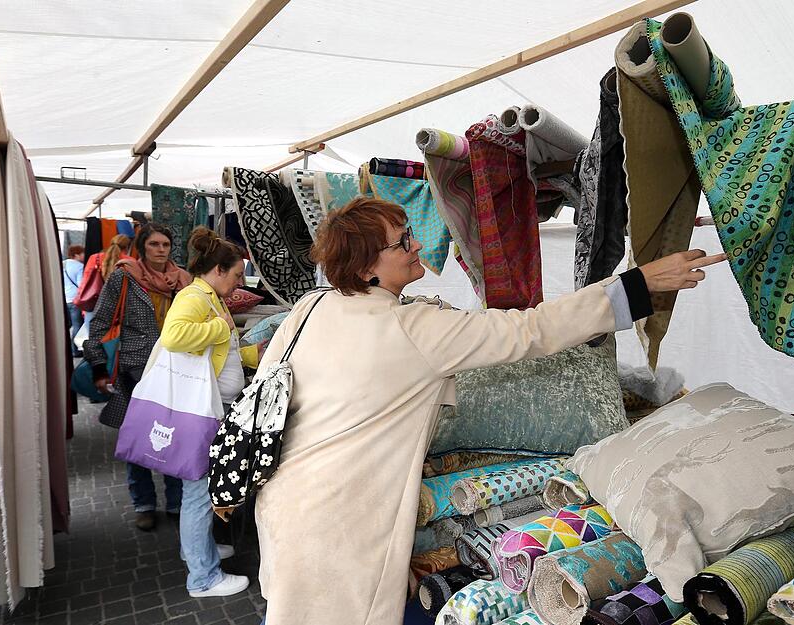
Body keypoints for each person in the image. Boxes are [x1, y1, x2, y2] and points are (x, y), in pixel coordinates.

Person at [253, 197, 727, 625]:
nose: (416, 245)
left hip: (283, 501)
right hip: (340, 521)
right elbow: (531, 330)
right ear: (365, 269)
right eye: (401, 242)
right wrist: (637, 285)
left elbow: (267, 396)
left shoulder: (311, 309)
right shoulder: (412, 328)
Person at [160, 227, 258, 598]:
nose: (240, 282)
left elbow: (220, 354)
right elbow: (174, 337)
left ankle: (197, 550)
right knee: (199, 493)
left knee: (199, 490)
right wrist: (220, 326)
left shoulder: (209, 296)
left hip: (209, 408)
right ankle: (203, 577)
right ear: (218, 269)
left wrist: (252, 354)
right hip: (202, 412)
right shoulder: (195, 296)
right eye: (237, 274)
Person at [83, 224, 192, 531]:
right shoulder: (125, 276)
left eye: (165, 244)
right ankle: (144, 503)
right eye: (154, 244)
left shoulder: (182, 281)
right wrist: (98, 366)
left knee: (174, 435)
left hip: (176, 367)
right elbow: (100, 321)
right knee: (138, 438)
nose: (161, 249)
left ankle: (175, 501)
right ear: (142, 247)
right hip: (135, 367)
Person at [62, 244, 85, 356]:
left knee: (66, 325)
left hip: (65, 298)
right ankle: (75, 350)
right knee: (77, 325)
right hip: (75, 300)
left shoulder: (63, 264)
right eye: (82, 253)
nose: (84, 255)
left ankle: (65, 349)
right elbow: (81, 285)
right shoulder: (80, 267)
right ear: (76, 255)